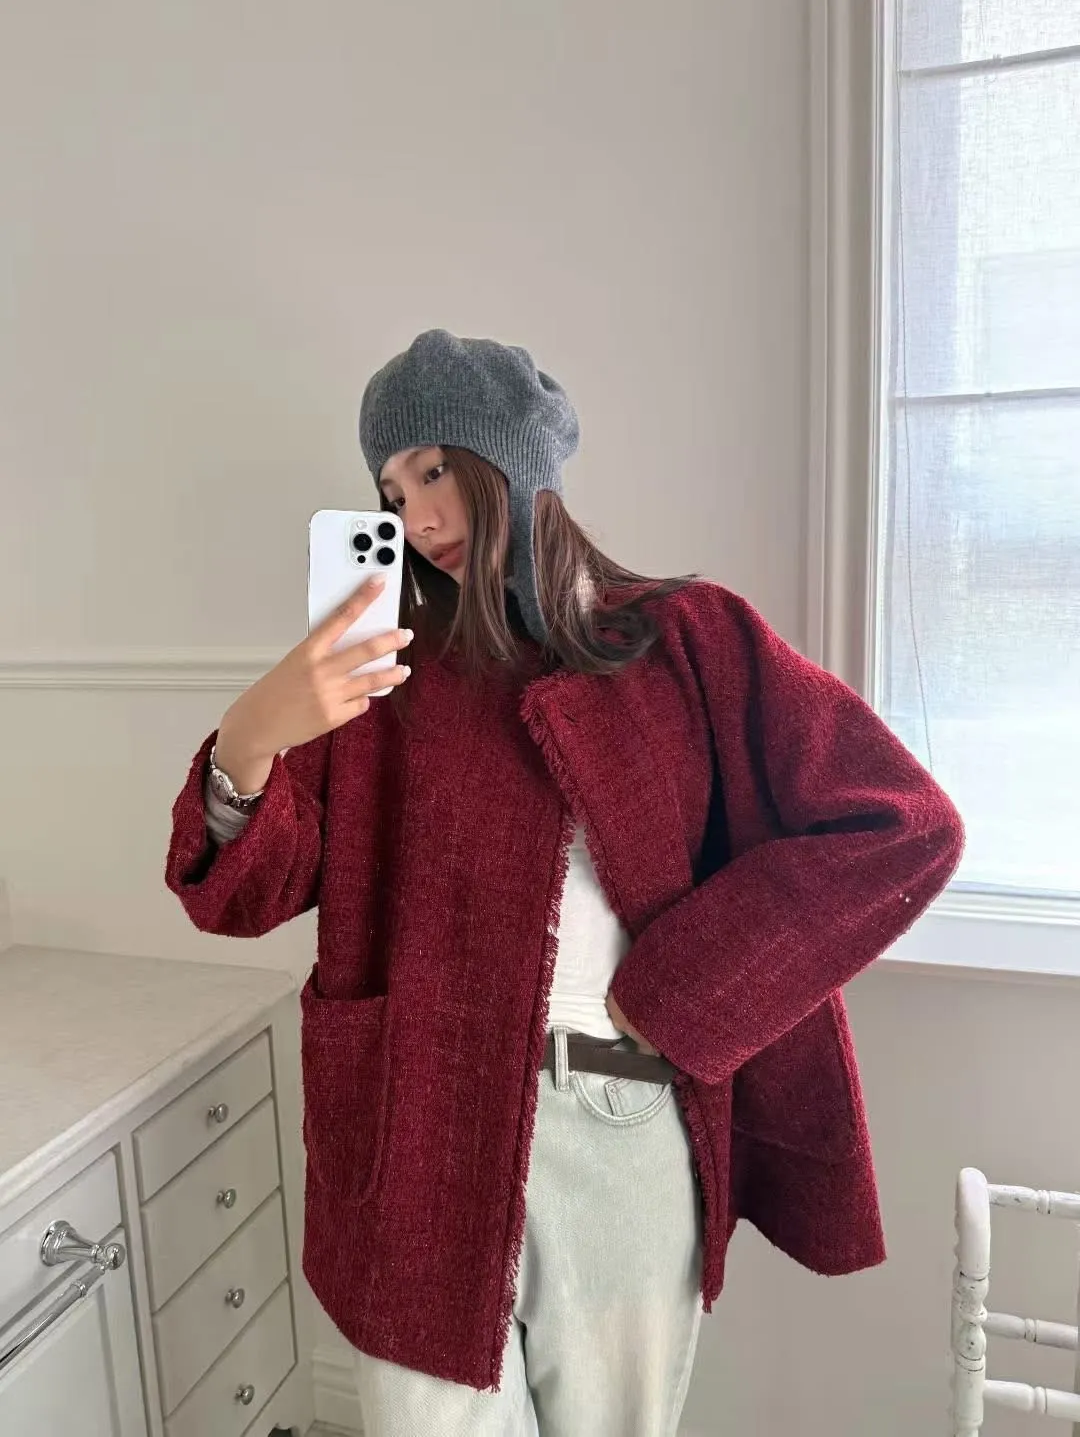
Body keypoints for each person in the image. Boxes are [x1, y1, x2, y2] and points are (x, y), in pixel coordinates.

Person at [166, 330, 964, 1436]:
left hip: (621, 1122)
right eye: (391, 490)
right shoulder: (379, 669)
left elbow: (901, 825)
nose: (418, 516)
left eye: (434, 470)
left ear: (516, 456)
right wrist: (252, 737)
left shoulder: (683, 638)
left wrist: (682, 992)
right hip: (416, 1124)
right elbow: (246, 891)